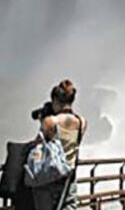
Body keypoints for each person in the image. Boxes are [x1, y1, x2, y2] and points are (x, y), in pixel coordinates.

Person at [32, 80, 87, 210]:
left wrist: (43, 121)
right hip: (69, 178)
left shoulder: (50, 122)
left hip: (49, 180)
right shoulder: (82, 122)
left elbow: (37, 146)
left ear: (55, 100)